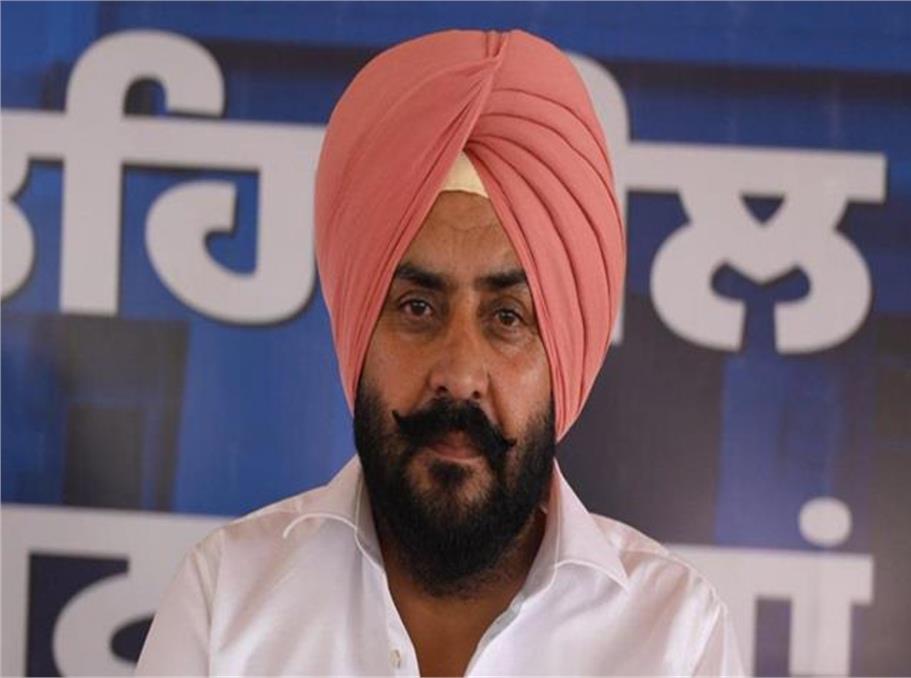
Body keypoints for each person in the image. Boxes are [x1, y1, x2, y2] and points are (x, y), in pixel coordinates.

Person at [136, 29, 744, 676]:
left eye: (507, 317)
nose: (459, 374)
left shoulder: (675, 636)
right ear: (359, 332)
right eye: (418, 308)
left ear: (564, 358)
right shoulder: (226, 601)